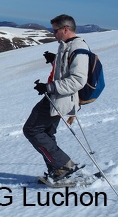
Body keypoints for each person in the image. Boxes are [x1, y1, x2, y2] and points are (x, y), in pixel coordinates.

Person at [23, 14, 89, 180]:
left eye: (55, 31)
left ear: (65, 29)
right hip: (56, 96)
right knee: (45, 133)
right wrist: (54, 60)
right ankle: (59, 170)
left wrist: (49, 86)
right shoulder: (66, 45)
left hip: (61, 98)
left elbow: (78, 80)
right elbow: (66, 69)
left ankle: (63, 166)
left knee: (31, 130)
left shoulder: (78, 48)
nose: (53, 34)